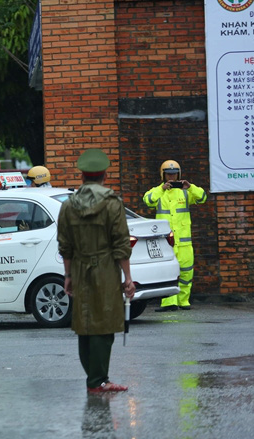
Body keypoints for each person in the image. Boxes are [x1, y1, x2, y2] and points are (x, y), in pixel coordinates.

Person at [57, 148, 136, 393]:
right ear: (103, 175)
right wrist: (128, 278)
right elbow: (121, 244)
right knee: (105, 322)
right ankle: (98, 380)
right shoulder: (112, 204)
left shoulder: (68, 206)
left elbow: (65, 246)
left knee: (85, 322)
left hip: (79, 269)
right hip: (105, 269)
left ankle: (95, 379)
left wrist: (68, 275)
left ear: (82, 176)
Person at [144, 160, 207, 312]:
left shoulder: (185, 192)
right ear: (163, 175)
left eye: (174, 174)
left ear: (178, 174)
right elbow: (148, 200)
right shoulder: (158, 192)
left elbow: (202, 197)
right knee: (166, 272)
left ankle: (183, 301)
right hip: (166, 241)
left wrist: (190, 187)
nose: (171, 177)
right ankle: (169, 303)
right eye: (168, 174)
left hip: (184, 242)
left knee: (186, 272)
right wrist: (162, 188)